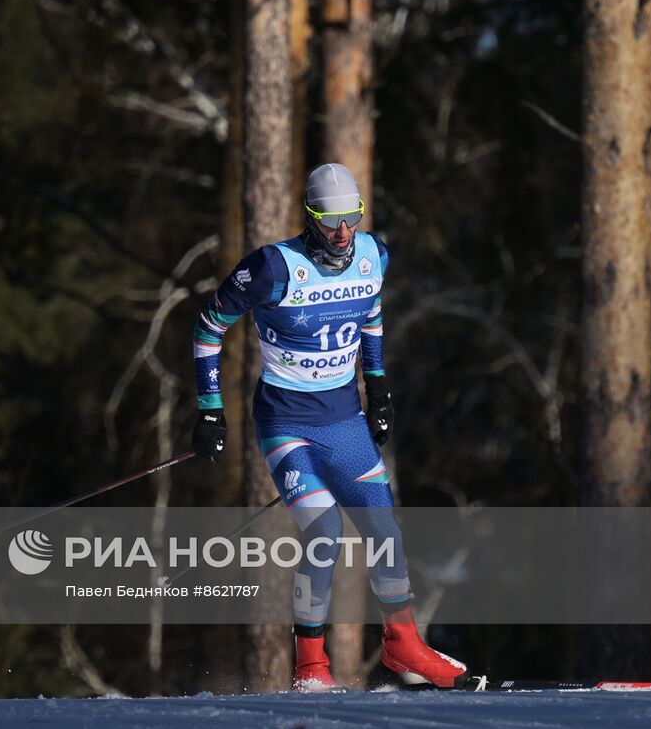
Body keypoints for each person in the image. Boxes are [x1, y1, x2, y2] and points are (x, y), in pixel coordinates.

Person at [191, 163, 470, 691]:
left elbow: (371, 318)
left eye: (351, 217)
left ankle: (404, 645)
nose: (343, 231)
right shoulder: (274, 267)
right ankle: (311, 669)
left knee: (385, 533)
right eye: (329, 219)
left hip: (345, 422)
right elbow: (208, 326)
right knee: (324, 532)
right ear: (309, 216)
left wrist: (379, 386)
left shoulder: (373, 255)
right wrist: (209, 407)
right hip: (286, 424)